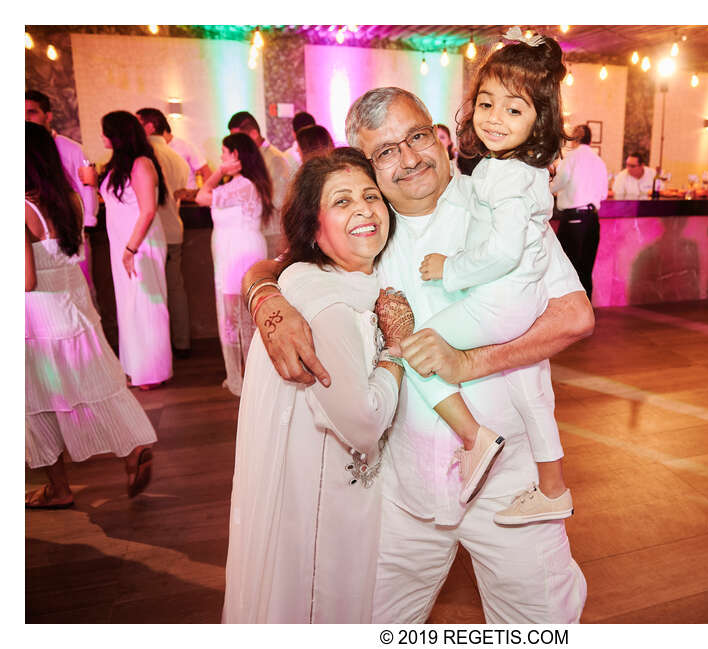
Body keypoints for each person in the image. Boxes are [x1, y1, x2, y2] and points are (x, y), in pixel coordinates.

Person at [242, 84, 591, 623]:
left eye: (417, 137)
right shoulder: (368, 230)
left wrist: (470, 362)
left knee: (541, 623)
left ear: (441, 136)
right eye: (385, 152)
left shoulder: (499, 205)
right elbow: (281, 260)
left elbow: (574, 316)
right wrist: (268, 301)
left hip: (507, 483)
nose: (408, 159)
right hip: (403, 486)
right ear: (369, 165)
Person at [223, 148, 413, 622]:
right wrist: (397, 349)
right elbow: (363, 420)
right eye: (342, 202)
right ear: (313, 227)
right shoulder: (328, 302)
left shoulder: (355, 280)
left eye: (371, 196)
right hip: (326, 500)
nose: (365, 209)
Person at [408, 30, 576, 521]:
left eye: (514, 109)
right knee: (532, 391)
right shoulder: (524, 171)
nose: (494, 119)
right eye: (486, 104)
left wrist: (450, 268)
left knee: (416, 347)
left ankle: (473, 438)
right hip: (521, 303)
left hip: (498, 303)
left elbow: (502, 251)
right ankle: (553, 488)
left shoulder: (502, 174)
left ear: (539, 120)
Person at [25, 121, 156, 509]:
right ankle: (132, 449)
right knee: (94, 386)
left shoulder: (18, 206)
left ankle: (58, 487)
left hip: (38, 320)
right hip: (75, 312)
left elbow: (26, 279)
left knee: (38, 402)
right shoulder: (70, 197)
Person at [196, 133, 274, 397]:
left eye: (224, 153)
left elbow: (201, 196)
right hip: (238, 250)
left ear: (236, 156)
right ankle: (246, 375)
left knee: (238, 317)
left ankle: (250, 378)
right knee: (240, 317)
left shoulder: (243, 185)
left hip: (238, 254)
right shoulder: (244, 184)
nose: (221, 157)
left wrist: (218, 171)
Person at [99, 110, 173, 390]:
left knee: (146, 306)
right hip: (124, 244)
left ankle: (153, 370)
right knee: (129, 306)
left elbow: (148, 210)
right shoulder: (118, 165)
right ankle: (136, 368)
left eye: (106, 131)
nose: (103, 137)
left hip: (141, 244)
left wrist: (131, 248)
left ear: (118, 134)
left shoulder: (142, 163)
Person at [26, 90, 100, 304]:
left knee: (81, 286)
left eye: (32, 112)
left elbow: (86, 189)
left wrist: (84, 226)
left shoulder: (71, 150)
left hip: (67, 230)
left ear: (48, 115)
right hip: (34, 233)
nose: (26, 118)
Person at [136, 107, 192, 358]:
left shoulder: (143, 156)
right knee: (176, 288)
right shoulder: (177, 156)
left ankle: (159, 351)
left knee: (153, 294)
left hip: (152, 233)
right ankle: (182, 343)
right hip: (174, 229)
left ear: (149, 126)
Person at [550, 123, 609, 300]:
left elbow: (557, 185)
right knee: (586, 269)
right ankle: (587, 312)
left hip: (574, 219)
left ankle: (571, 316)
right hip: (593, 220)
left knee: (568, 269)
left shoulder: (571, 159)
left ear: (575, 138)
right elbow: (604, 193)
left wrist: (548, 184)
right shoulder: (599, 161)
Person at [228, 111, 292, 258]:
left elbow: (279, 200)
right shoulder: (251, 158)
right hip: (254, 232)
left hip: (272, 232)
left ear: (254, 133)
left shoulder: (276, 159)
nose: (237, 145)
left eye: (240, 139)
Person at [136, 108, 212, 192]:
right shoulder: (147, 150)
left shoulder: (185, 146)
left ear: (150, 127)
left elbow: (206, 172)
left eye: (138, 126)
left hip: (186, 198)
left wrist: (202, 194)